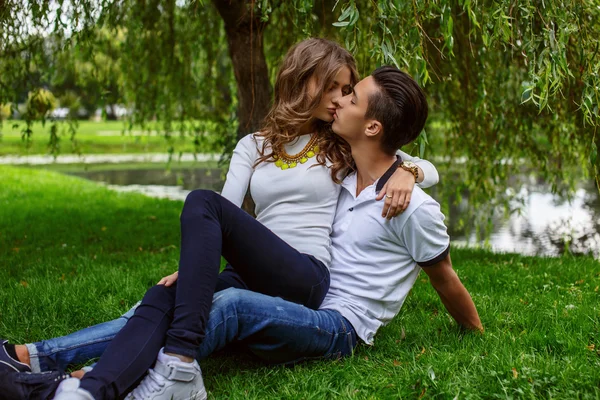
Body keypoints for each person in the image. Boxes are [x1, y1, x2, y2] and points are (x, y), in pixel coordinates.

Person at [8, 65, 480, 400]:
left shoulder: (410, 207)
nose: (341, 100)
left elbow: (446, 278)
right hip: (299, 291)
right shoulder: (342, 172)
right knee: (171, 297)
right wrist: (411, 169)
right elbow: (397, 159)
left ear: (371, 125)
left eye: (351, 97)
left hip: (340, 326)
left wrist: (475, 333)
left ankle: (107, 380)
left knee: (228, 305)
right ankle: (36, 359)